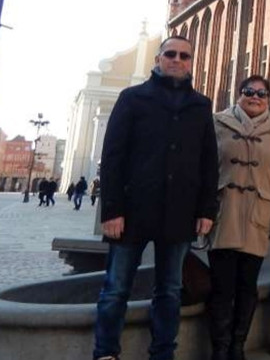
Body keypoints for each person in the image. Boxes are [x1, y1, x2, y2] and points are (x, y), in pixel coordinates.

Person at [93, 36, 219, 360]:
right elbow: (113, 158)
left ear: (192, 62)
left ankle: (163, 353)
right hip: (132, 211)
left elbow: (208, 162)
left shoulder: (201, 105)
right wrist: (111, 210)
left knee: (170, 290)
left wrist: (207, 210)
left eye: (185, 56)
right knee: (116, 288)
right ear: (159, 58)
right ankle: (106, 353)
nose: (177, 60)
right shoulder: (133, 98)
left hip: (179, 213)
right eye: (171, 54)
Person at [207, 75, 270, 360]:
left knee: (247, 287)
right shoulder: (217, 123)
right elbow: (203, 168)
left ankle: (237, 347)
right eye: (249, 91)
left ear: (269, 98)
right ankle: (219, 349)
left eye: (261, 93)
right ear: (239, 93)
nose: (255, 97)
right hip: (223, 213)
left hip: (259, 215)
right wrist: (202, 211)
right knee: (222, 287)